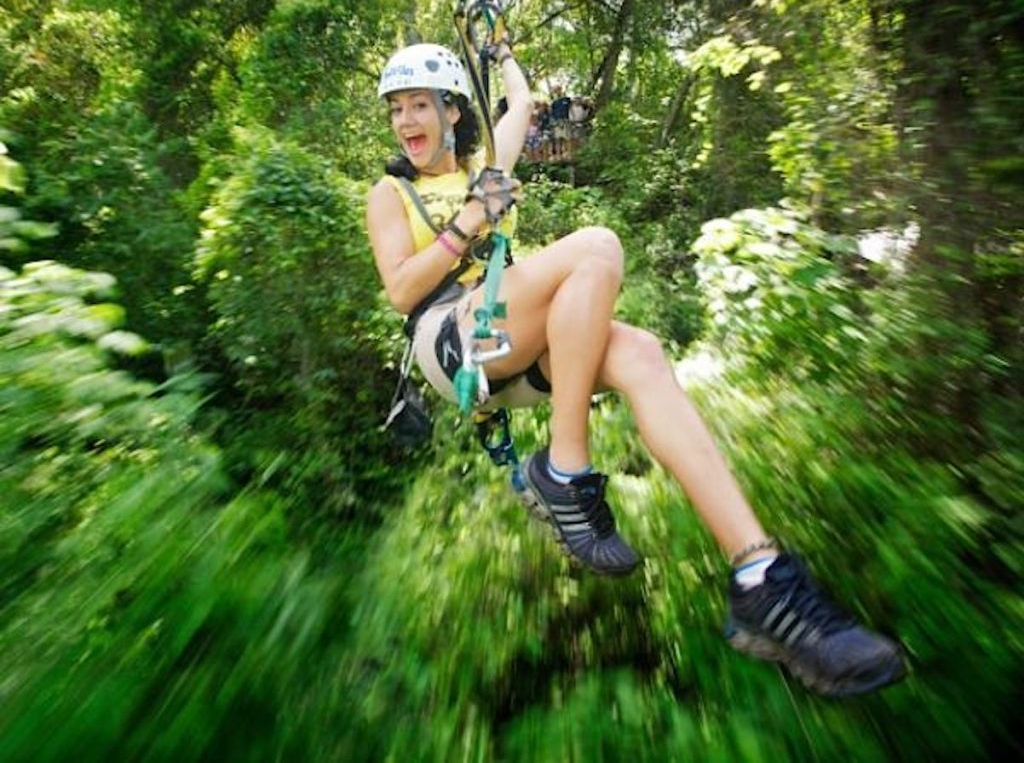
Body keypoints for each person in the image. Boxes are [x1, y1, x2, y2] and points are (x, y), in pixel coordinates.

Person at [365, 40, 906, 698]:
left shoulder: (485, 168)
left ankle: (760, 578)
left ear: (452, 110)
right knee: (596, 246)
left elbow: (521, 107)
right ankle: (565, 469)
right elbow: (399, 289)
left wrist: (501, 48)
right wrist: (470, 222)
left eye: (419, 105)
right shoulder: (391, 194)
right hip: (451, 339)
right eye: (396, 109)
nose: (405, 121)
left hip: (515, 342)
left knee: (643, 354)